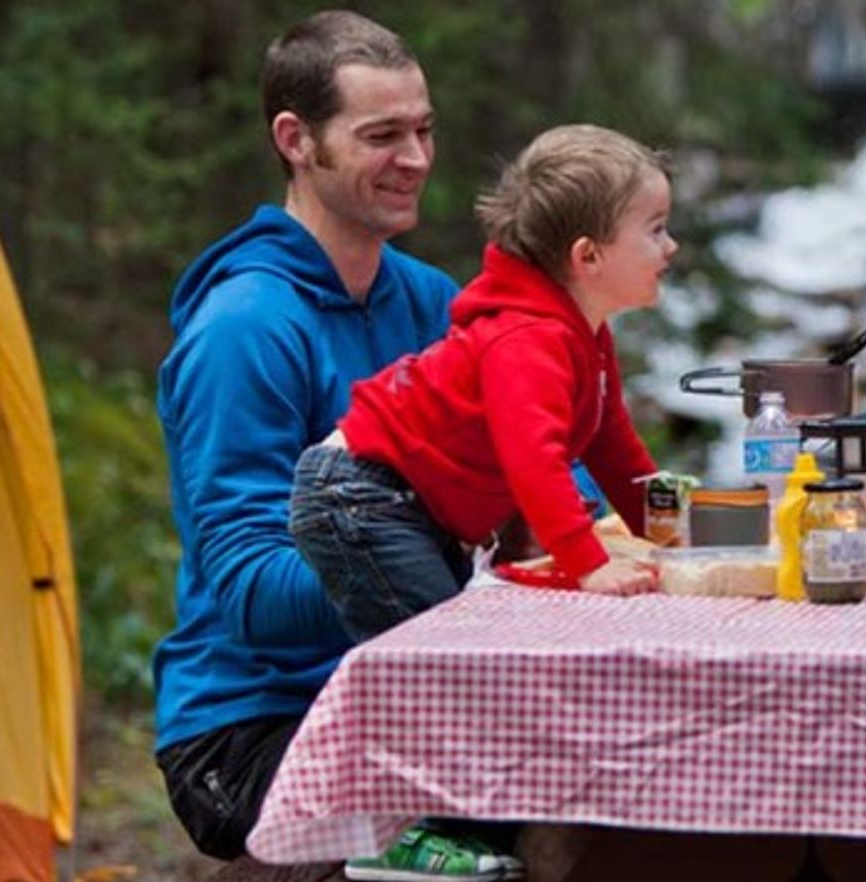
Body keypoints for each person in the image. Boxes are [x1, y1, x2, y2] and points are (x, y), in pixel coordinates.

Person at [150, 9, 496, 874]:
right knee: (516, 840)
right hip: (251, 725)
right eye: (382, 135)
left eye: (423, 130)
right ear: (296, 140)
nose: (415, 159)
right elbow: (251, 592)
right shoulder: (246, 327)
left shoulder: (429, 302)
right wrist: (446, 559)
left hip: (398, 694)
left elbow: (544, 459)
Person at [288, 121, 671, 652]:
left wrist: (668, 534)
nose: (669, 247)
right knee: (447, 658)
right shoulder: (527, 339)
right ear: (588, 257)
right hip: (361, 495)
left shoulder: (585, 331)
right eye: (655, 230)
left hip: (405, 502)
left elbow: (612, 446)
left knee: (461, 652)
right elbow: (534, 459)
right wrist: (590, 564)